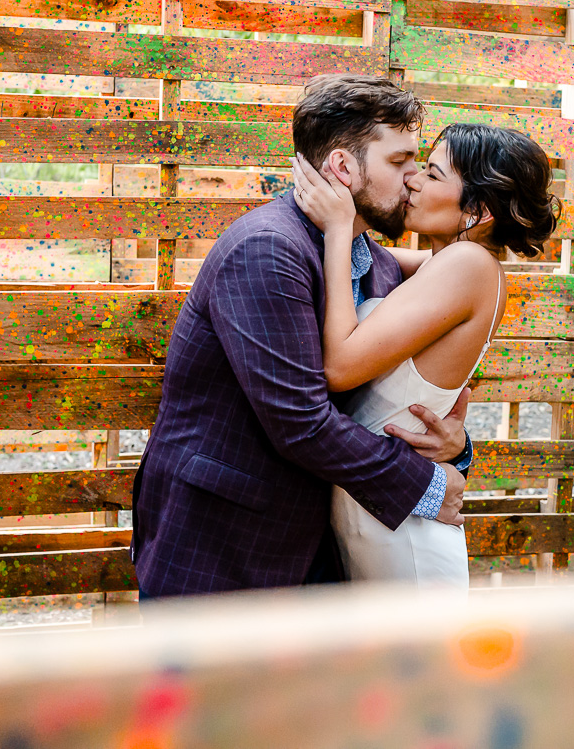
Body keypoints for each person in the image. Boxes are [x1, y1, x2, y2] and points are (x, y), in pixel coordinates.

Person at [131, 75, 475, 597]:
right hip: (223, 547)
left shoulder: (373, 263)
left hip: (318, 549)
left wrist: (453, 446)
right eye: (399, 160)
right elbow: (299, 420)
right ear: (342, 167)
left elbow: (382, 404)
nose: (413, 179)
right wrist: (425, 485)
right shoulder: (267, 251)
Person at [291, 122, 557, 587]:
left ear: (478, 210)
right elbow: (374, 257)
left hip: (403, 530)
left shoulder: (468, 265)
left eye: (432, 175)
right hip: (381, 510)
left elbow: (339, 367)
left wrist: (336, 229)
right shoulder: (449, 264)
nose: (413, 179)